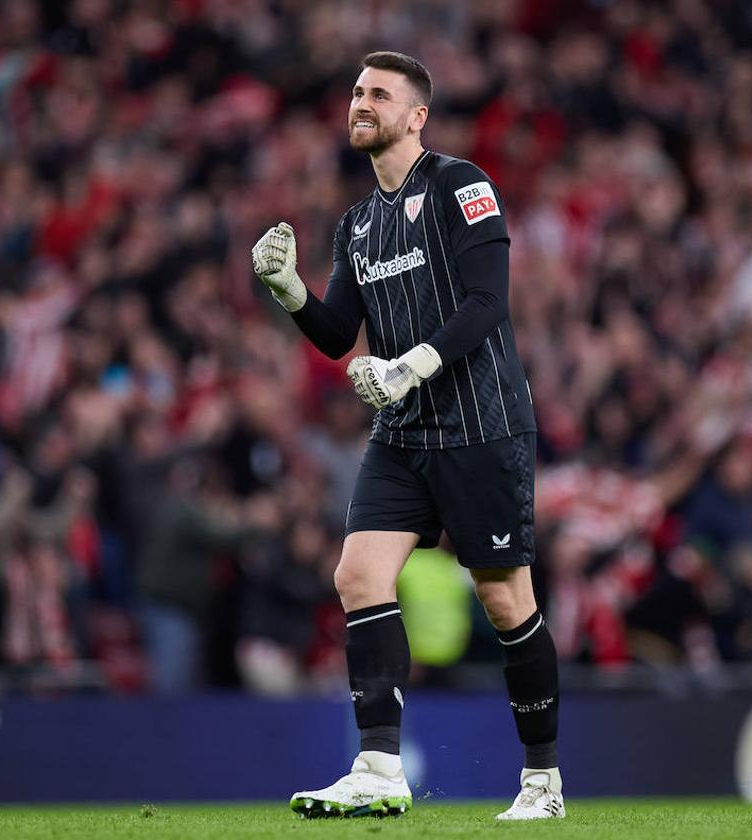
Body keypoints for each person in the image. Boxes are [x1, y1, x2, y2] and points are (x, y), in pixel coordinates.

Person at [251, 51, 563, 820]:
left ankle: (542, 782)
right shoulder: (359, 224)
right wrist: (287, 289)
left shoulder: (463, 186)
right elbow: (334, 336)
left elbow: (489, 302)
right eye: (357, 92)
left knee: (504, 600)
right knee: (358, 577)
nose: (362, 104)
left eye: (379, 95)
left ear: (416, 116)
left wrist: (411, 365)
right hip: (404, 431)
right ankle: (378, 768)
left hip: (482, 424)